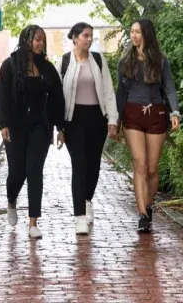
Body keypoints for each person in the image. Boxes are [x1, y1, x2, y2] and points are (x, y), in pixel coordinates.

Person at [0, 24, 65, 239]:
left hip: (39, 128)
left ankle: (33, 222)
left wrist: (60, 127)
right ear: (26, 40)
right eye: (37, 39)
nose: (40, 43)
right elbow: (2, 97)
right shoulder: (9, 65)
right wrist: (3, 124)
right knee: (17, 172)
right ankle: (11, 200)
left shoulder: (47, 67)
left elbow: (57, 99)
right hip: (15, 127)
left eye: (43, 40)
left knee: (34, 171)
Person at [116, 18, 181, 233]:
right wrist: (116, 120)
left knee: (153, 170)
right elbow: (121, 93)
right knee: (140, 165)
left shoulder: (161, 61)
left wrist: (174, 112)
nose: (133, 35)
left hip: (156, 114)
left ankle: (149, 203)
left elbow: (170, 87)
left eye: (138, 32)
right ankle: (142, 214)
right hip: (132, 114)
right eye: (132, 32)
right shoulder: (125, 60)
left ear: (147, 34)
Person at [56, 22, 118, 234]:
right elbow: (55, 97)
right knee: (79, 165)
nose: (89, 39)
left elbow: (109, 91)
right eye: (85, 35)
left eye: (91, 36)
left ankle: (88, 199)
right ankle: (79, 215)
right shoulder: (63, 62)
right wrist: (59, 126)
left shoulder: (99, 61)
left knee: (93, 166)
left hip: (96, 119)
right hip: (73, 120)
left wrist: (113, 119)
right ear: (74, 37)